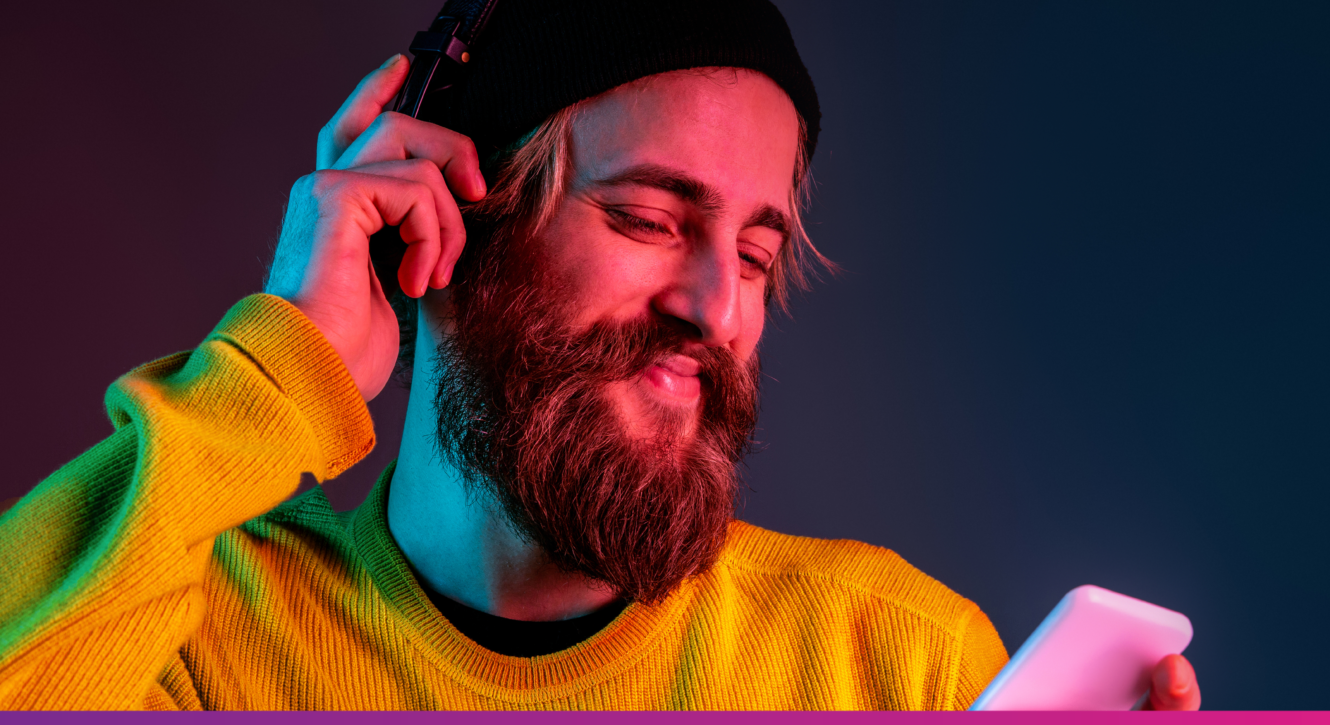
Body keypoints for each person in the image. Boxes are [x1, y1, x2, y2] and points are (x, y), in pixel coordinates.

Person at [0, 0, 1200, 710]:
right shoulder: (191, 636)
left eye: (755, 251)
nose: (712, 304)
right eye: (649, 218)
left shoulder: (894, 661)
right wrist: (279, 372)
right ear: (448, 228)